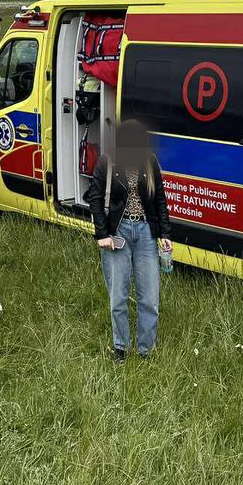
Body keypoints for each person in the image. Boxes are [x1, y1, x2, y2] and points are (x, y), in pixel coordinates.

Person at [85, 120, 168, 361]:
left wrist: (165, 234)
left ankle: (146, 351)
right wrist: (101, 234)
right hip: (117, 232)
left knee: (149, 297)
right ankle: (120, 347)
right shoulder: (107, 162)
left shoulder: (149, 161)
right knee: (118, 297)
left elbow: (160, 199)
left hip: (145, 232)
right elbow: (96, 199)